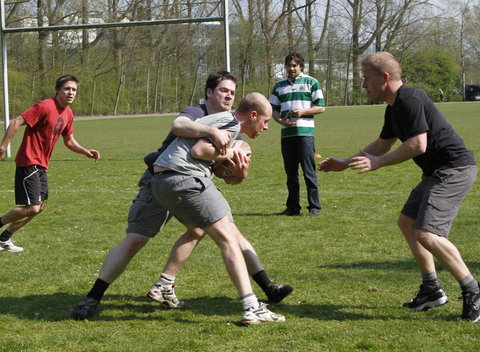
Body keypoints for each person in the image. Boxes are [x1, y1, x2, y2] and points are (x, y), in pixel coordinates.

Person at [72, 72, 292, 320]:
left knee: (204, 230)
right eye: (223, 90)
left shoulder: (233, 127)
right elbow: (185, 134)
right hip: (169, 178)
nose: (229, 95)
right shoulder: (199, 114)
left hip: (179, 181)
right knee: (138, 240)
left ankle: (166, 285)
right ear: (209, 92)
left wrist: (239, 173)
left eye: (232, 92)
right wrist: (217, 138)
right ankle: (93, 297)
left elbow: (222, 173)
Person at [318, 51, 480, 322]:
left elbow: (418, 145)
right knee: (408, 223)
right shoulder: (394, 107)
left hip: (453, 170)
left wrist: (379, 163)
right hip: (436, 172)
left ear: (384, 77)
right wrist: (345, 162)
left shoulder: (410, 98)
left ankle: (473, 290)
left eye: (366, 78)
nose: (363, 85)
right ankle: (431, 289)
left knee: (428, 234)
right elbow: (383, 144)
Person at [150, 92, 285, 324]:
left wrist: (237, 172)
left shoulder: (224, 121)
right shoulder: (231, 124)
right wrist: (233, 152)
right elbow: (199, 152)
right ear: (253, 115)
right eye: (266, 121)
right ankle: (251, 307)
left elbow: (219, 169)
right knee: (229, 239)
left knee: (198, 230)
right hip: (185, 179)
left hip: (162, 183)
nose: (267, 127)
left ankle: (164, 284)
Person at [0, 75, 100, 252]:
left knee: (39, 207)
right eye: (67, 89)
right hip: (28, 160)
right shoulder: (45, 106)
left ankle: (4, 238)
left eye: (74, 90)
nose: (71, 93)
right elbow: (16, 122)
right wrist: (3, 147)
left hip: (42, 165)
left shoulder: (68, 113)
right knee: (33, 207)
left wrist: (85, 151)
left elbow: (69, 141)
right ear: (58, 90)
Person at [270, 52, 326, 217]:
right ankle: (293, 208)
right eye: (289, 65)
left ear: (301, 66)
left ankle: (314, 207)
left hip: (305, 134)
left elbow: (321, 107)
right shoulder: (279, 85)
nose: (291, 68)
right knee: (291, 174)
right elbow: (272, 109)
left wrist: (303, 111)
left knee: (309, 172)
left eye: (294, 65)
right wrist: (281, 121)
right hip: (287, 135)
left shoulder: (311, 82)